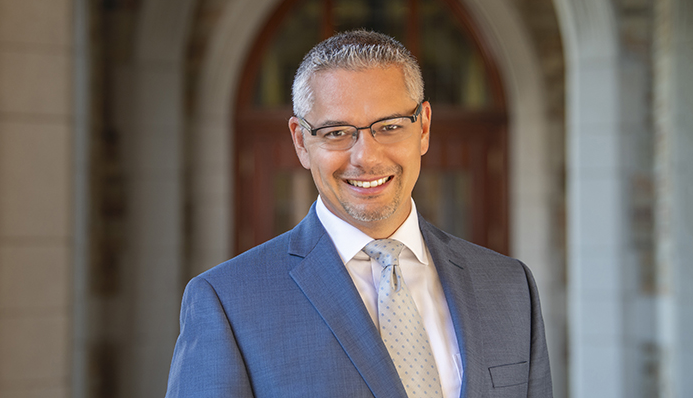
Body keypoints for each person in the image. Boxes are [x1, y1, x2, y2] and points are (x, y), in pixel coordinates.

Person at [165, 30, 552, 397]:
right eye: (336, 132)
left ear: (424, 128)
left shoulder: (509, 287)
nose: (366, 157)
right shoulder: (229, 302)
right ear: (301, 141)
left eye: (389, 126)